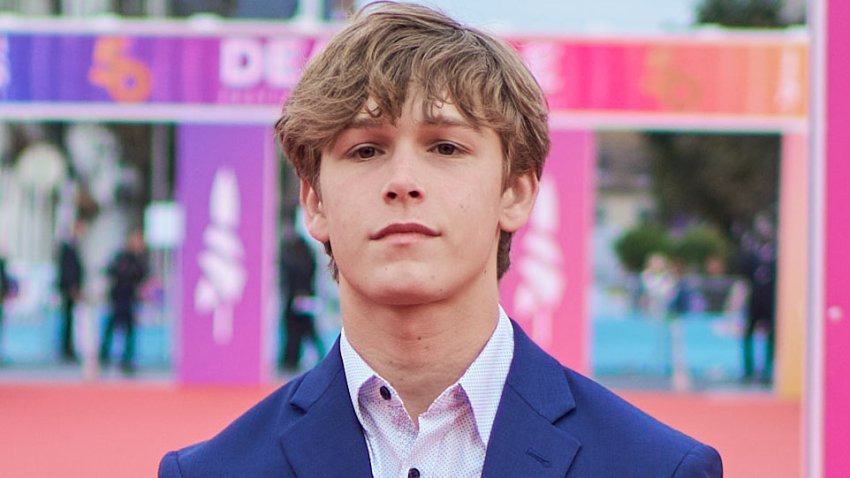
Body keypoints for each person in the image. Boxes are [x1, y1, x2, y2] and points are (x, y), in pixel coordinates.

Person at [159, 3, 722, 477]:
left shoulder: (659, 468)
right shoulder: (212, 470)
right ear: (315, 202)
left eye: (445, 147)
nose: (403, 181)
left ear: (517, 193)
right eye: (365, 149)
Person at [99, 230, 148, 374]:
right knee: (111, 328)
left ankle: (127, 360)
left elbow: (143, 276)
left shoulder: (140, 259)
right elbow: (110, 272)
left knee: (130, 332)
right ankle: (104, 357)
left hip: (131, 299)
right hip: (118, 298)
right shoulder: (121, 257)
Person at [739, 214, 777, 385]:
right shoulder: (752, 253)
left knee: (771, 336)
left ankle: (767, 371)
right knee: (748, 334)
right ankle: (748, 370)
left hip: (770, 301)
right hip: (754, 300)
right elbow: (744, 272)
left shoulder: (777, 253)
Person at [279, 234, 325, 372]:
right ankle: (321, 356)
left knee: (293, 333)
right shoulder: (310, 260)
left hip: (294, 300)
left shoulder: (293, 263)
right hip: (307, 298)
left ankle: (290, 360)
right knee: (309, 331)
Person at [57, 221, 85, 362]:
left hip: (71, 288)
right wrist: (72, 287)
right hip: (68, 289)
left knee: (70, 320)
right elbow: (68, 270)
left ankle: (69, 347)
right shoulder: (67, 248)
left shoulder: (74, 247)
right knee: (67, 320)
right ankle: (66, 349)